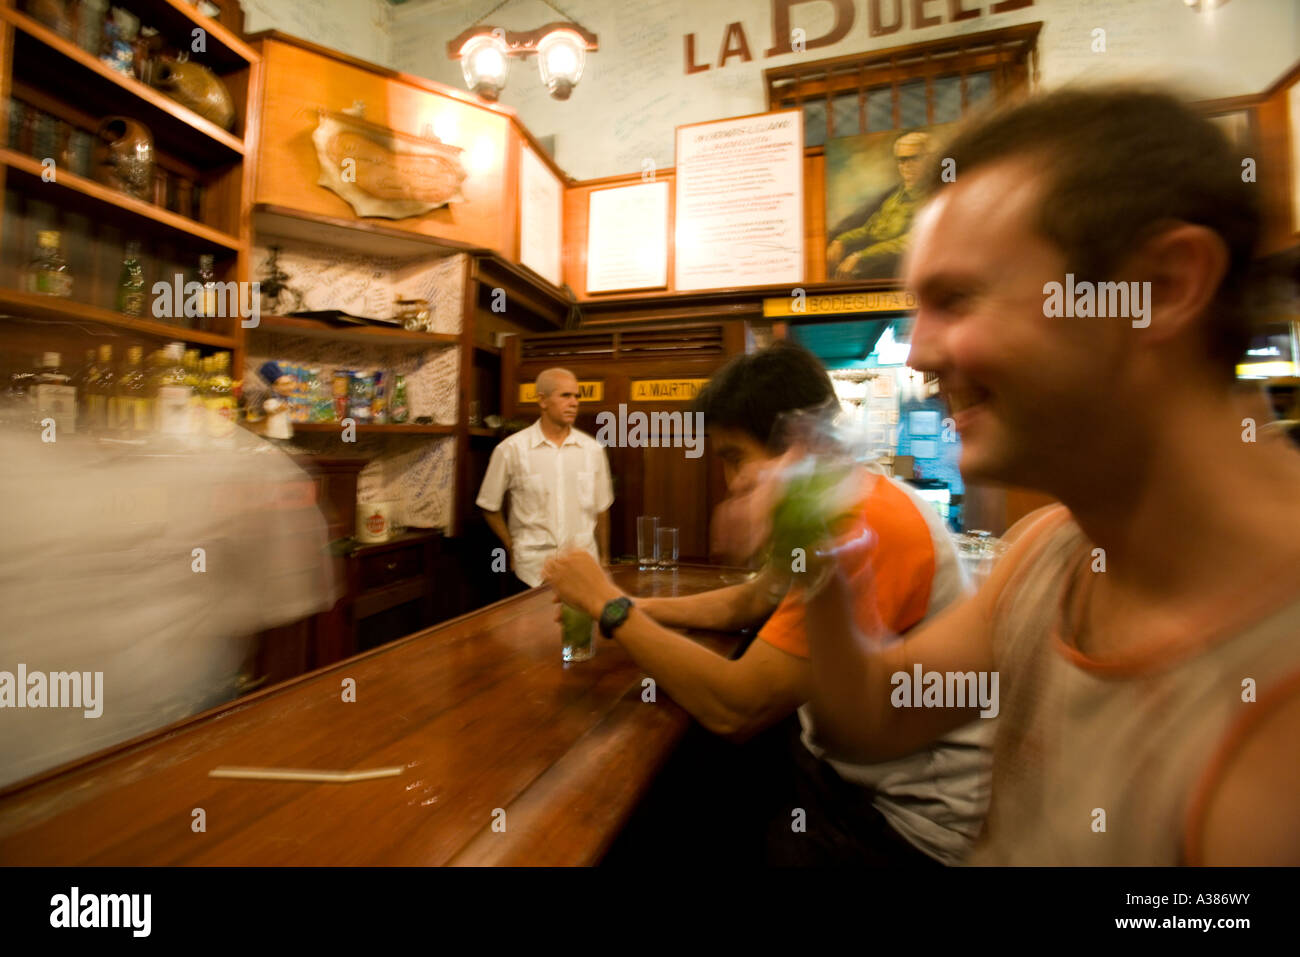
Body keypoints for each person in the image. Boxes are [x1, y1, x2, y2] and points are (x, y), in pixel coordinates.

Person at [793, 85, 1300, 865]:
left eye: (957, 298)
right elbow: (873, 716)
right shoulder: (1049, 549)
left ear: (1159, 289)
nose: (921, 353)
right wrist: (822, 560)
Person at [543, 342, 994, 866]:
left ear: (798, 442)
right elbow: (755, 599)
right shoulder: (842, 501)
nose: (731, 482)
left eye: (734, 457)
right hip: (844, 769)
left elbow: (737, 707)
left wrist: (609, 609)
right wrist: (623, 603)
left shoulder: (869, 520)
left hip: (903, 823)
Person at [477, 367, 613, 589]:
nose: (574, 402)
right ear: (542, 400)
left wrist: (605, 560)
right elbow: (488, 505)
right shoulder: (511, 449)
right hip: (531, 571)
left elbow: (602, 508)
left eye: (577, 396)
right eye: (565, 395)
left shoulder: (592, 450)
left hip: (583, 570)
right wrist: (511, 546)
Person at [827, 130, 932, 280]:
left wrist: (862, 256)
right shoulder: (895, 197)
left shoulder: (933, 197)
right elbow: (871, 229)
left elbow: (912, 239)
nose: (907, 165)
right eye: (902, 160)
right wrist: (842, 240)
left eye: (914, 158)